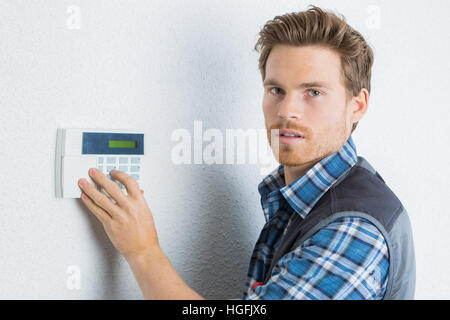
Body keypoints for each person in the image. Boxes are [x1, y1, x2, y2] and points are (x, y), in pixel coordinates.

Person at [77, 5, 415, 300]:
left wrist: (143, 252)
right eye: (276, 90)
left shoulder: (353, 229)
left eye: (313, 91)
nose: (287, 111)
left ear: (357, 105)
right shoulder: (302, 196)